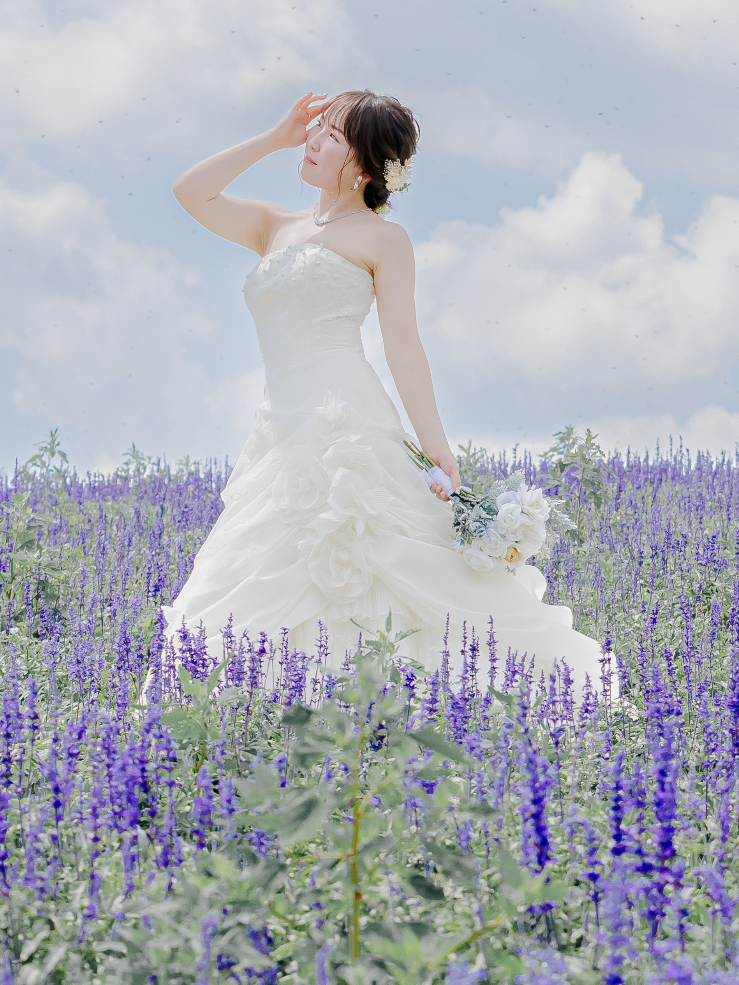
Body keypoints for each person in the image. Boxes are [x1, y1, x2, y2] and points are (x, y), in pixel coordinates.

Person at [153, 89, 608, 691]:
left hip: (346, 422)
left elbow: (403, 347)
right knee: (250, 581)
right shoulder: (274, 227)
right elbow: (190, 191)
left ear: (367, 165)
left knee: (378, 566)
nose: (314, 141)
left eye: (333, 137)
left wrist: (437, 449)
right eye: (317, 130)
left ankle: (398, 710)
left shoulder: (384, 240)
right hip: (278, 430)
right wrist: (273, 137)